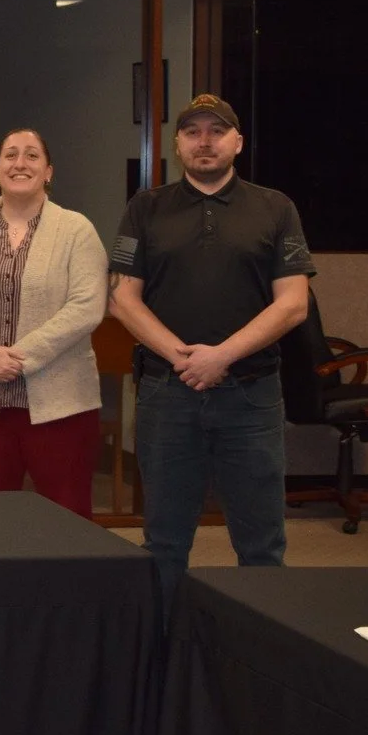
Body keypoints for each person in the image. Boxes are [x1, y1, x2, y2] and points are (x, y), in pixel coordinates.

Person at [109, 94, 314, 600]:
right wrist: (185, 358)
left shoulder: (275, 207)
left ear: (237, 142)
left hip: (251, 397)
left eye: (216, 131)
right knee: (163, 542)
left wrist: (222, 356)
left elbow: (293, 305)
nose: (205, 141)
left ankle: (260, 662)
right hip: (167, 393)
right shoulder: (145, 208)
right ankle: (158, 659)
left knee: (262, 544)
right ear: (177, 143)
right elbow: (121, 299)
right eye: (193, 132)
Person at [0, 129, 108, 517]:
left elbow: (88, 305)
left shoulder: (77, 230)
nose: (20, 163)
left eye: (31, 156)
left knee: (68, 517)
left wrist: (20, 356)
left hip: (63, 405)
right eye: (10, 155)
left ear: (48, 172)